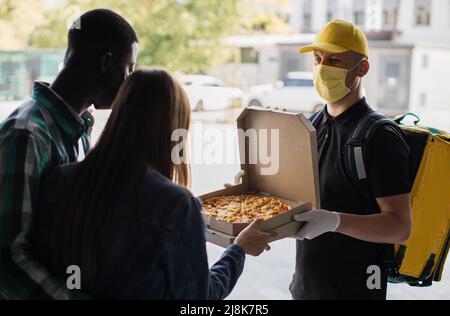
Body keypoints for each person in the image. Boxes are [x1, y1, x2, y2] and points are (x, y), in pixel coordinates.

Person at [33, 69, 275, 299]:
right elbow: (199, 297)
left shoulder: (58, 180)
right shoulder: (175, 205)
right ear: (175, 128)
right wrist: (239, 249)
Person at [0, 9, 138, 299]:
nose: (129, 82)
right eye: (129, 69)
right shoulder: (26, 135)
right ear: (106, 63)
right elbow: (9, 259)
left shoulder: (76, 129)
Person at [289, 20, 412, 300]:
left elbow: (400, 227)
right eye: (317, 59)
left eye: (334, 60)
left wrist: (334, 221)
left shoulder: (379, 136)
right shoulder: (311, 126)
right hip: (305, 289)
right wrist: (255, 189)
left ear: (362, 68)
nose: (322, 68)